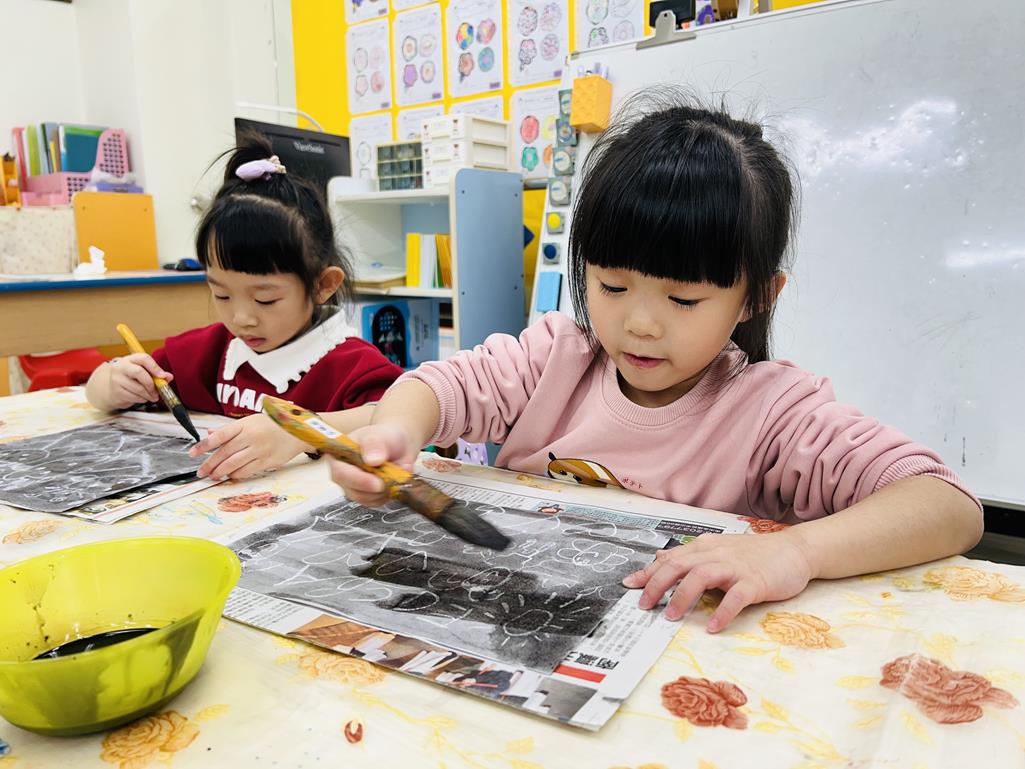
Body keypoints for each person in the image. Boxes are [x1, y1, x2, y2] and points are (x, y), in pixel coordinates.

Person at [328, 94, 982, 632]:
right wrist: (398, 431)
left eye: (683, 298)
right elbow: (438, 387)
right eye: (611, 286)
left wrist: (794, 550)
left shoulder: (772, 411)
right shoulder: (556, 356)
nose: (639, 323)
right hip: (510, 616)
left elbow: (947, 505)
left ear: (756, 296)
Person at [85, 133, 403, 479]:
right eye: (221, 295)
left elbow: (394, 415)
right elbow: (104, 392)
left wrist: (298, 432)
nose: (241, 318)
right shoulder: (211, 351)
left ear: (322, 285)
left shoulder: (348, 363)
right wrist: (111, 382)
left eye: (265, 299)